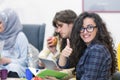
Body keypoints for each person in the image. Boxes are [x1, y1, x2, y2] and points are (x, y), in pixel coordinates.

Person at [58, 12, 117, 80]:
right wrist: (63, 55)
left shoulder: (97, 50)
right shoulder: (86, 47)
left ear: (98, 29)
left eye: (90, 27)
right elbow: (63, 66)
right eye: (81, 28)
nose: (85, 32)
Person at [38, 9, 77, 79]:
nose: (58, 30)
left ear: (72, 24)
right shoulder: (62, 38)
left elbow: (74, 70)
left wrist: (59, 71)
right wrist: (54, 52)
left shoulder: (80, 41)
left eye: (60, 26)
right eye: (57, 27)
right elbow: (65, 65)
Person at [0, 8, 29, 78]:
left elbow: (24, 62)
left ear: (8, 22)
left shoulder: (20, 37)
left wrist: (7, 60)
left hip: (16, 69)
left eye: (0, 23)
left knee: (13, 68)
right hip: (2, 68)